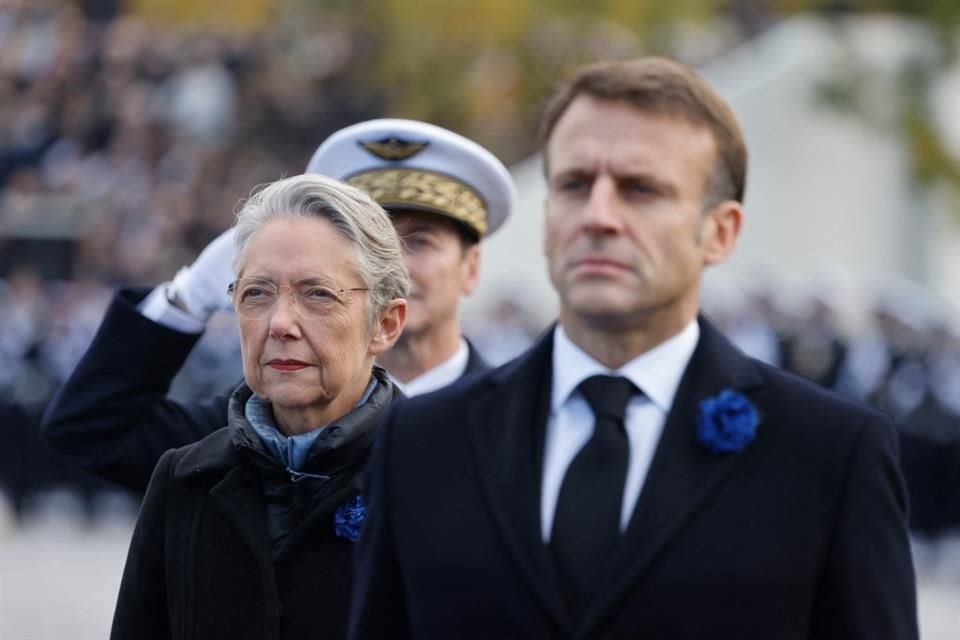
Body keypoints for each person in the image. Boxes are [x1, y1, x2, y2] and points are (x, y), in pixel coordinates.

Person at [348, 57, 918, 639]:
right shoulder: (424, 440)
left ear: (719, 231)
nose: (599, 216)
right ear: (548, 221)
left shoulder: (827, 453)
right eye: (574, 184)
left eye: (640, 189)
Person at [42, 118, 516, 493]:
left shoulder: (515, 422)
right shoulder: (265, 424)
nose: (393, 267)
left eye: (419, 243)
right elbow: (90, 429)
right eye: (368, 247)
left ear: (472, 266)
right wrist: (186, 299)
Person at [110, 173, 408, 639]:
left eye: (318, 294)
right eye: (256, 294)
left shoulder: (442, 477)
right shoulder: (185, 480)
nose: (280, 323)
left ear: (385, 325)